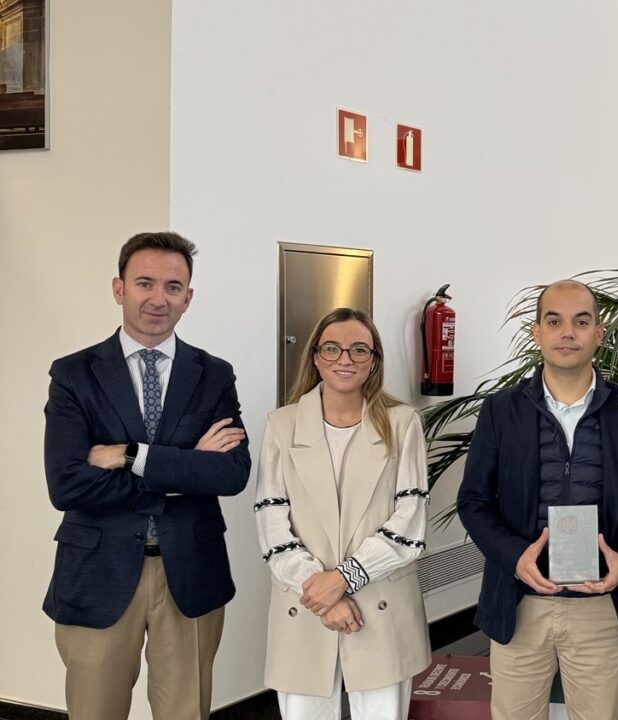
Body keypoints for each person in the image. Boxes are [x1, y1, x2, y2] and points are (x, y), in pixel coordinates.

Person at [43, 231, 250, 720]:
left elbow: (231, 473)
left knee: (185, 713)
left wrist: (130, 454)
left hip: (191, 571)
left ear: (188, 298)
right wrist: (186, 465)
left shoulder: (214, 374)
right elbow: (67, 484)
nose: (159, 298)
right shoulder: (74, 374)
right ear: (119, 289)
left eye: (173, 287)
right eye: (144, 283)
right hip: (98, 572)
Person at [457, 279, 618, 720]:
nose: (567, 332)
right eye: (554, 321)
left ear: (599, 333)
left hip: (599, 608)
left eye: (581, 321)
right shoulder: (501, 410)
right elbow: (474, 501)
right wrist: (516, 557)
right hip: (519, 606)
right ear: (537, 333)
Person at [254, 307, 431, 719]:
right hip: (306, 603)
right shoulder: (283, 425)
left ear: (374, 360)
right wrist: (323, 593)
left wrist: (345, 579)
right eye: (332, 349)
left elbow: (410, 521)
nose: (345, 360)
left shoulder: (402, 423)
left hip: (380, 601)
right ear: (315, 356)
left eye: (358, 350)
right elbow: (270, 519)